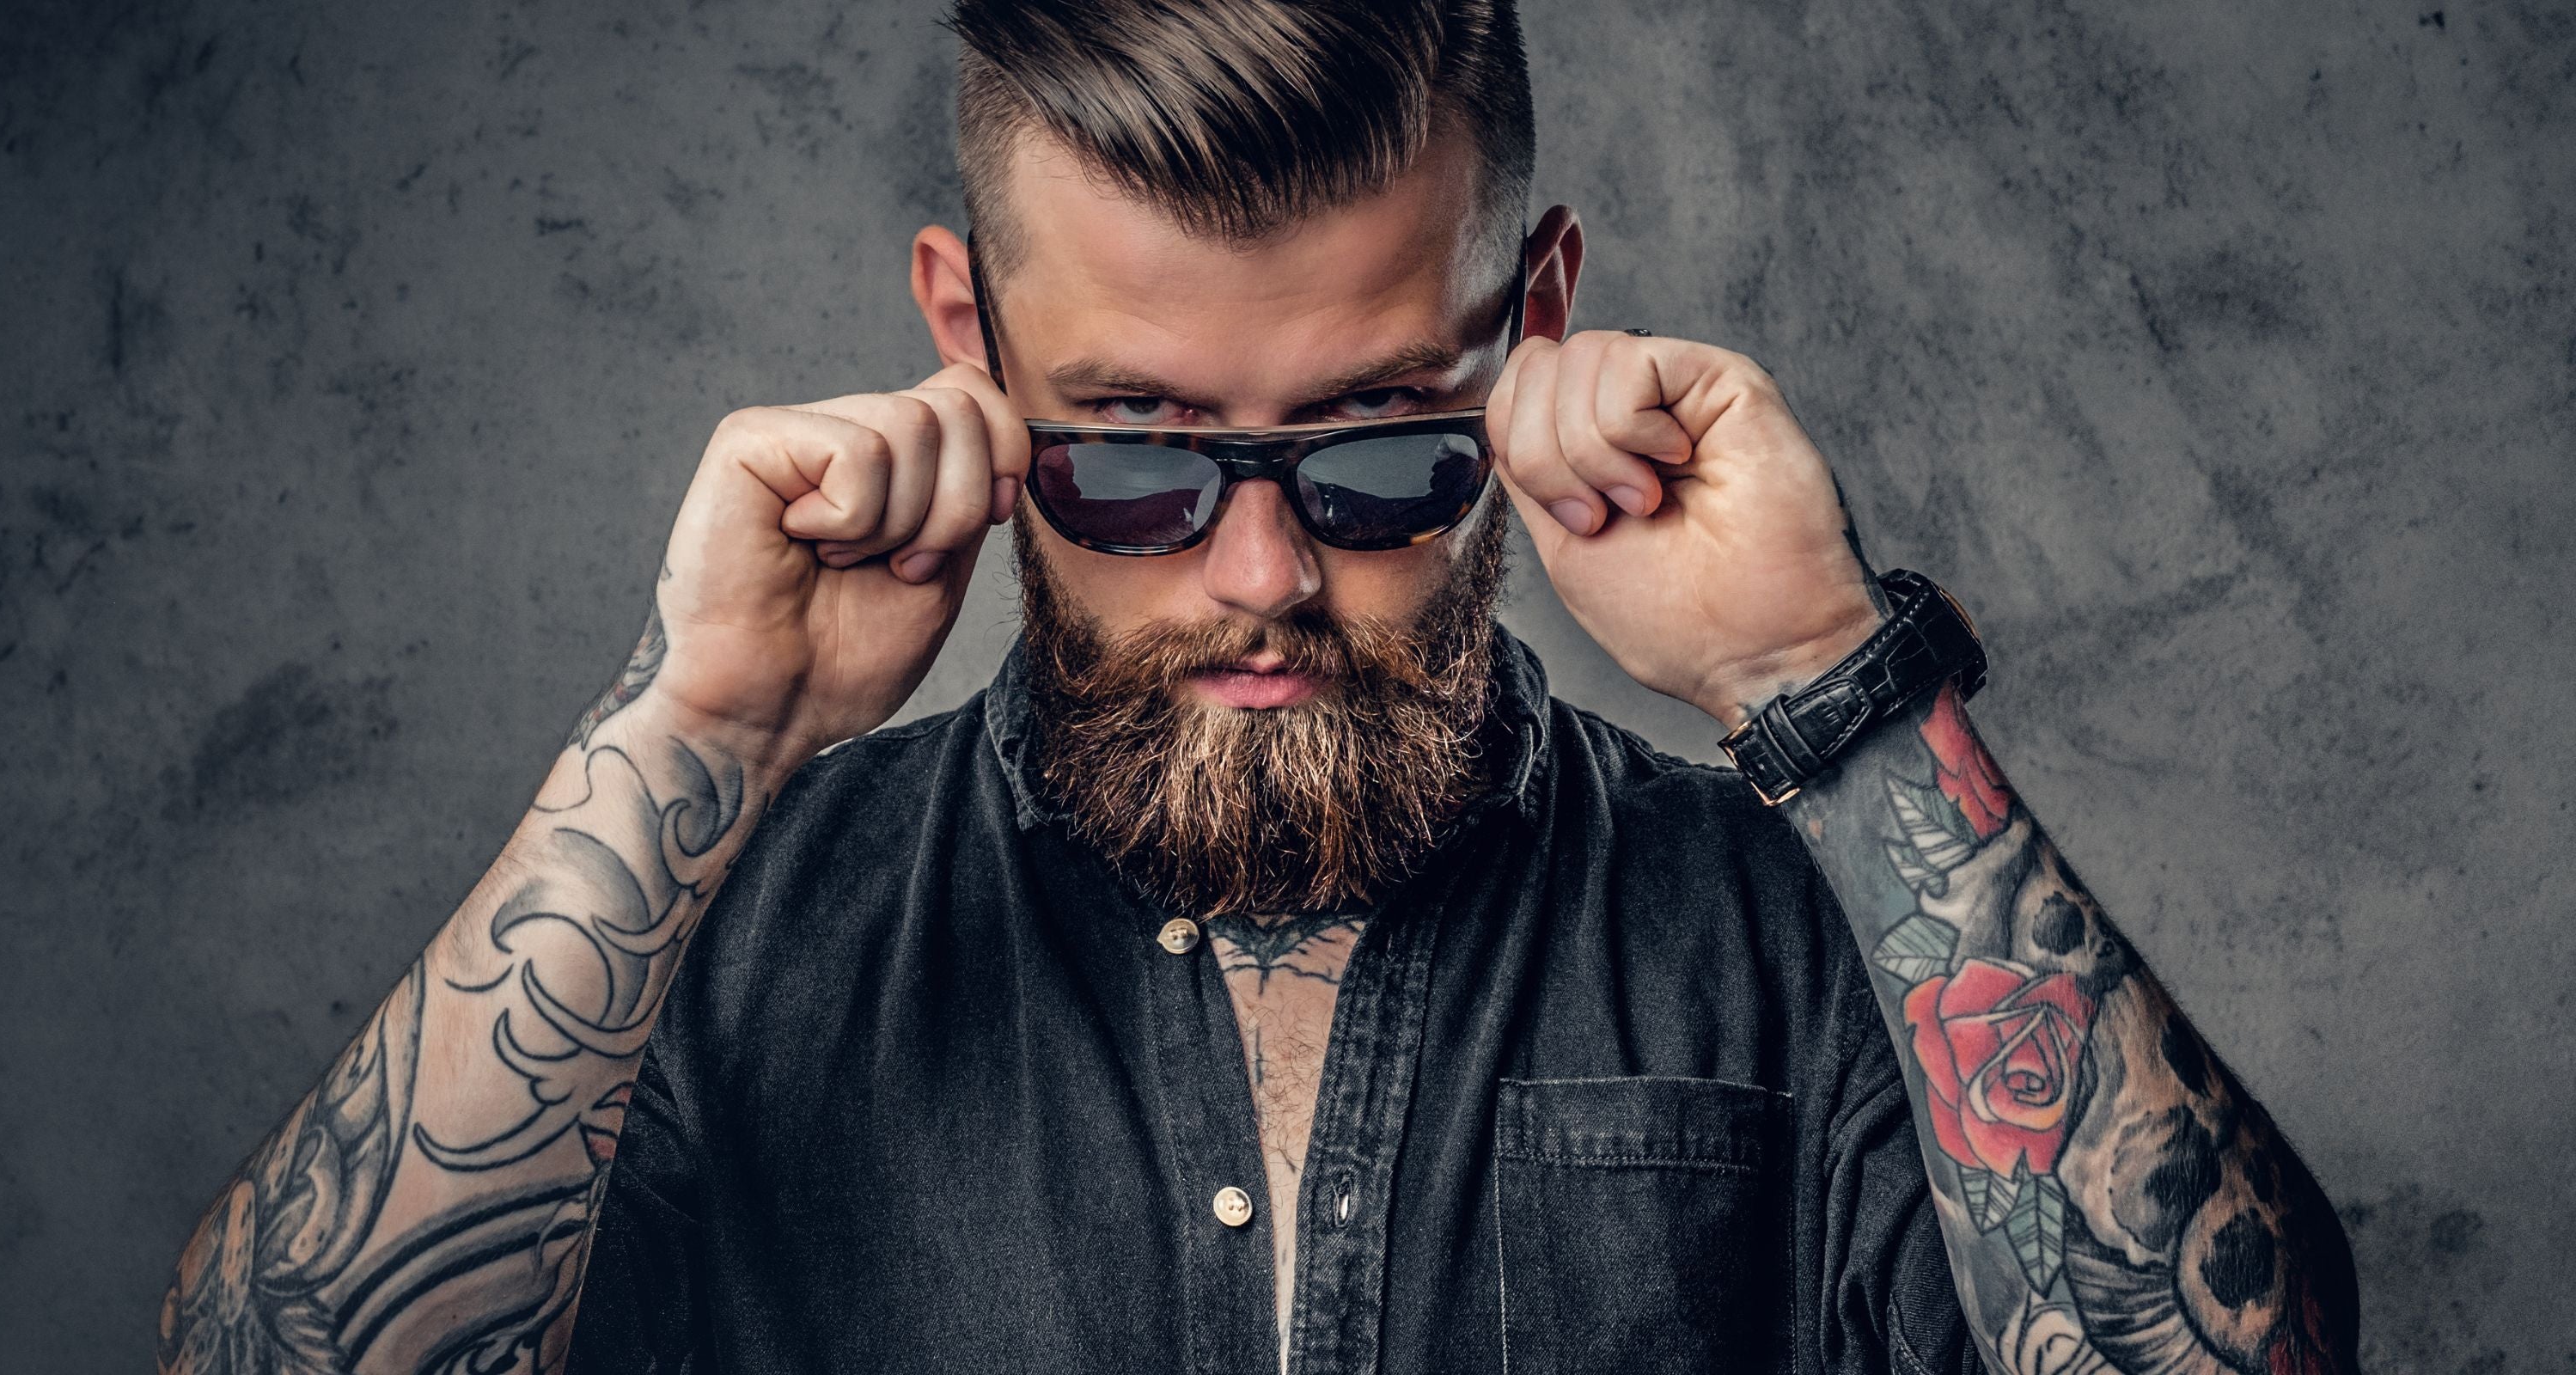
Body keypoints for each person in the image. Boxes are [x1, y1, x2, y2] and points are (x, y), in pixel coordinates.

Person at [156, 2, 2359, 1372]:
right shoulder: (729, 938)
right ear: (968, 342)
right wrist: (689, 737)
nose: (1260, 569)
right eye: (1127, 458)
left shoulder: (1792, 914)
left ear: (1541, 313)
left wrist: (1825, 679)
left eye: (1380, 449)